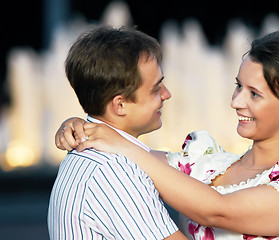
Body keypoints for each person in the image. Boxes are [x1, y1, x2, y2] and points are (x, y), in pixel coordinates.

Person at [57, 29, 279, 239]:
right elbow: (127, 151)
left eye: (254, 94)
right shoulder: (206, 163)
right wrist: (83, 124)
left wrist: (118, 142)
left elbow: (217, 211)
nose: (236, 101)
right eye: (238, 86)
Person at [48, 25, 188, 239]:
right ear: (119, 105)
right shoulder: (113, 171)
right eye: (155, 89)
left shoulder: (94, 157)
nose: (166, 94)